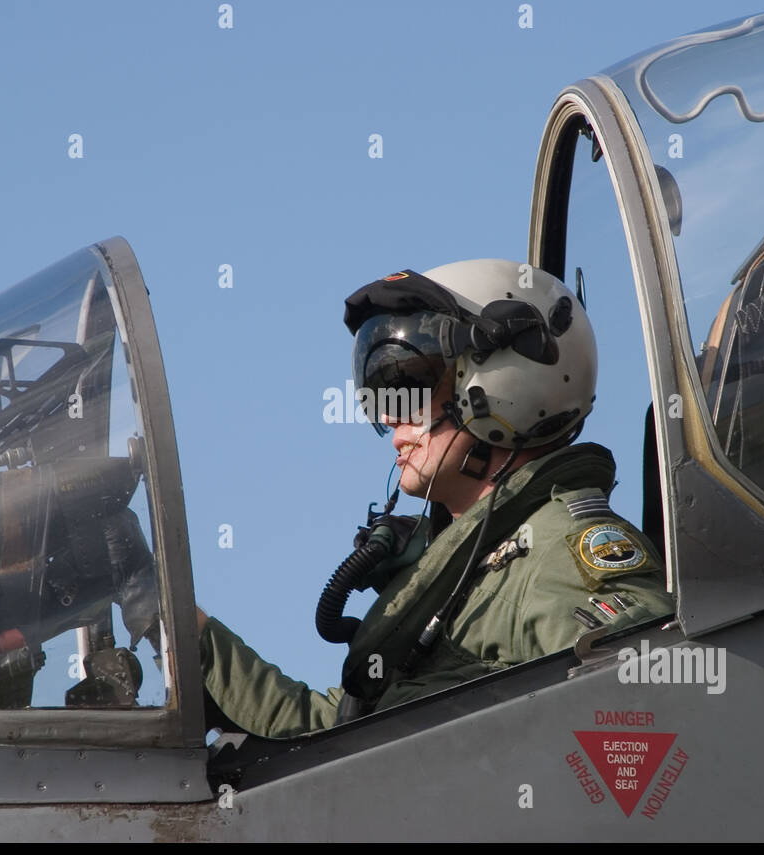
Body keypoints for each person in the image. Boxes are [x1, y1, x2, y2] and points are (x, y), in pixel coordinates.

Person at [198, 259, 673, 738]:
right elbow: (333, 738)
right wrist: (185, 634)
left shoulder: (559, 557)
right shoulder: (472, 573)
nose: (394, 423)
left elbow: (653, 725)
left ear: (505, 385)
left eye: (411, 385)